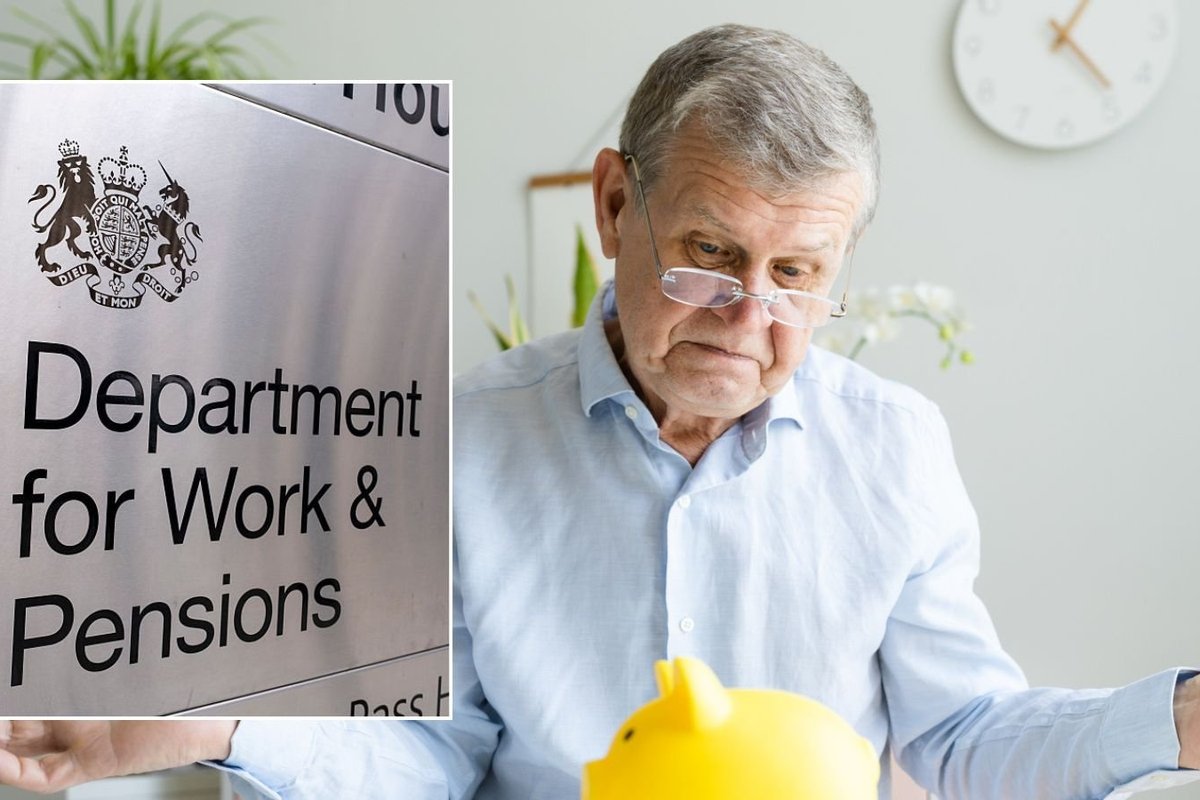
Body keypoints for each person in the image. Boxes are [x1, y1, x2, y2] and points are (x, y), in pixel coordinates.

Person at [3, 23, 1200, 800]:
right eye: (708, 252)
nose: (745, 314)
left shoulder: (895, 448)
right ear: (615, 202)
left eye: (798, 275)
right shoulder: (455, 443)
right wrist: (222, 725)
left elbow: (968, 739)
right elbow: (435, 753)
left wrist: (1176, 718)